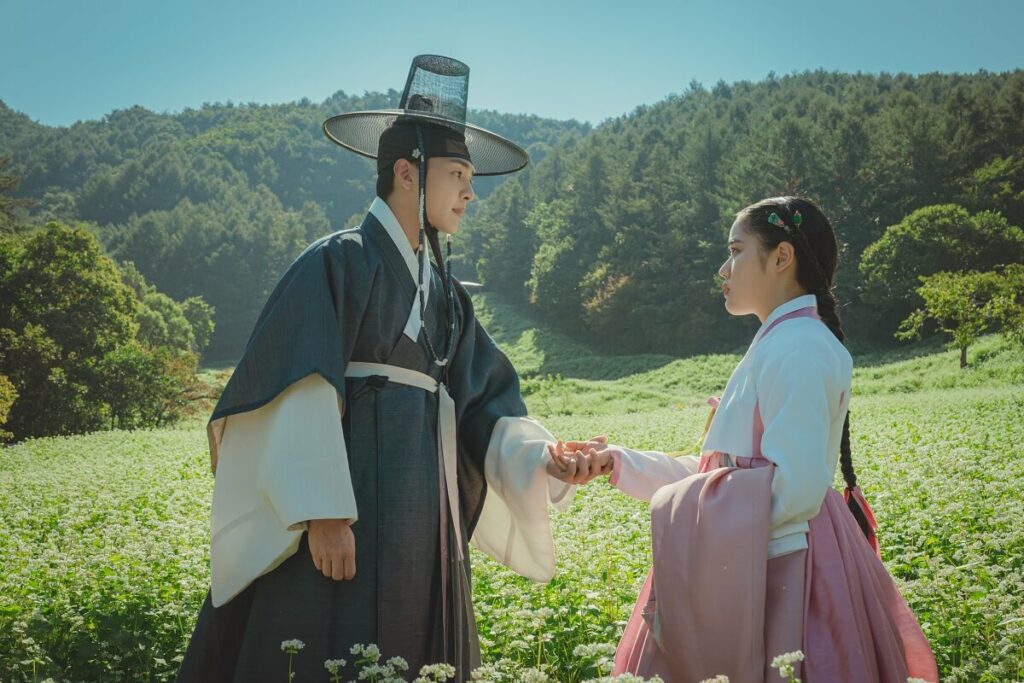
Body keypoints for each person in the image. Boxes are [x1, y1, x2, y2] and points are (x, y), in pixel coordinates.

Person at [176, 55, 581, 683]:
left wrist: (542, 459)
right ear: (406, 173)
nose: (471, 193)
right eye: (458, 175)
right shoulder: (339, 261)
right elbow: (301, 385)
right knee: (320, 643)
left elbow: (486, 409)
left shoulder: (447, 295)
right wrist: (323, 511)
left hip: (424, 515)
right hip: (348, 506)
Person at [559, 197, 939, 682]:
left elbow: (795, 486)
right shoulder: (784, 341)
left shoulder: (798, 346)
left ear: (782, 257)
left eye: (736, 250)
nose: (723, 267)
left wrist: (696, 524)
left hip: (781, 575)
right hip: (760, 560)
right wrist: (617, 463)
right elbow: (719, 478)